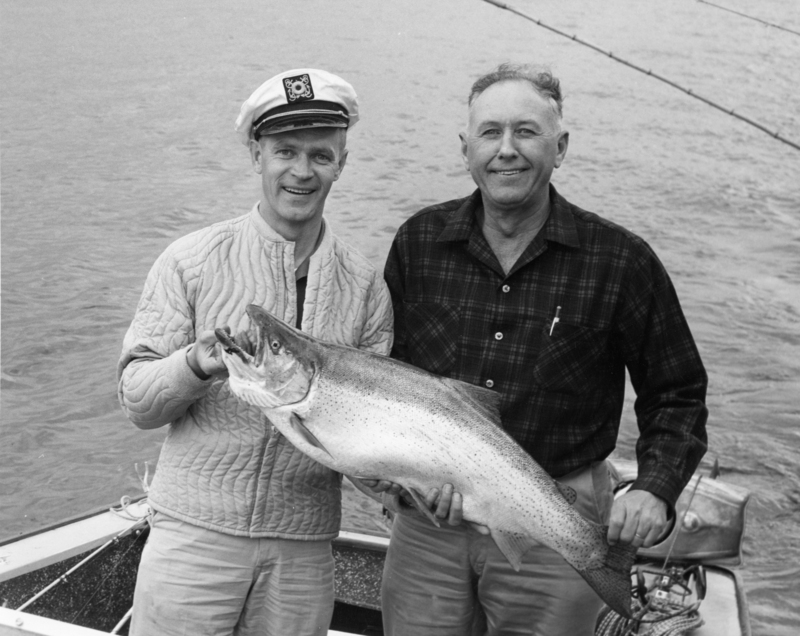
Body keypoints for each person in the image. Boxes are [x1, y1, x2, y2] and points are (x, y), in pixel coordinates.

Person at [372, 63, 708, 636]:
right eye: (490, 132)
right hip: (431, 524)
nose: (506, 149)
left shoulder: (620, 260)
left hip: (557, 525)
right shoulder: (418, 242)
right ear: (466, 149)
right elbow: (387, 380)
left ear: (561, 146)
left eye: (526, 131)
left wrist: (655, 489)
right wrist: (400, 477)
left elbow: (677, 393)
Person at [117, 68, 393, 636]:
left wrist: (408, 484)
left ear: (342, 162)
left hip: (303, 551)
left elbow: (369, 442)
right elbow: (137, 403)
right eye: (284, 151)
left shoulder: (367, 286)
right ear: (256, 154)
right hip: (193, 538)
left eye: (320, 155)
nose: (301, 171)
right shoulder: (190, 260)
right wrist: (194, 365)